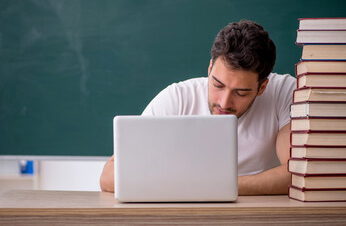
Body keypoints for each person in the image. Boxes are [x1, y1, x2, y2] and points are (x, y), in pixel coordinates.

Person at [100, 19, 296, 195]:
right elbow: (109, 176)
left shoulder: (285, 92)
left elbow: (298, 172)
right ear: (210, 70)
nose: (224, 102)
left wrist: (217, 187)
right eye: (218, 85)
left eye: (241, 92)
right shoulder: (177, 98)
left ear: (262, 87)